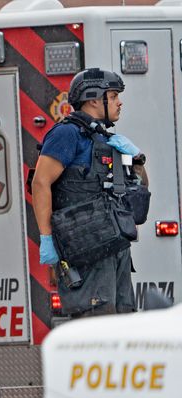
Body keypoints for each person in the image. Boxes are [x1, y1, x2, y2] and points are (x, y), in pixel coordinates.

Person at [32, 68, 142, 318]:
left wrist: (137, 159)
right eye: (113, 96)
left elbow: (137, 187)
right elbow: (40, 183)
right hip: (85, 249)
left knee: (123, 325)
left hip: (115, 247)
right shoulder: (67, 134)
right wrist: (46, 238)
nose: (119, 102)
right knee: (96, 325)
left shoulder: (107, 139)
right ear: (93, 99)